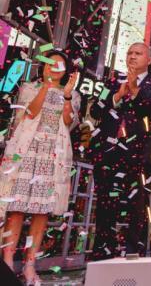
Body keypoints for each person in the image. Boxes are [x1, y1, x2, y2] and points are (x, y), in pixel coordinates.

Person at [0, 51, 80, 284]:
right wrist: (45, 87)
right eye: (50, 64)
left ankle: (30, 264)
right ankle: (7, 260)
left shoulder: (72, 95)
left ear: (66, 71)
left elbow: (68, 122)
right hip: (26, 151)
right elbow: (30, 112)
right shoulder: (29, 88)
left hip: (52, 155)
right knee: (15, 208)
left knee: (41, 211)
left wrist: (66, 97)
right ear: (43, 67)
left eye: (60, 65)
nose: (55, 68)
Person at [90, 42, 151, 260]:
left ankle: (134, 251)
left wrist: (136, 91)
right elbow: (95, 110)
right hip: (109, 152)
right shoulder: (112, 81)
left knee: (138, 204)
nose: (132, 56)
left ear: (149, 59)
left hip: (140, 153)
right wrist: (117, 96)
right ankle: (103, 250)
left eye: (138, 53)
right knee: (106, 202)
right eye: (129, 52)